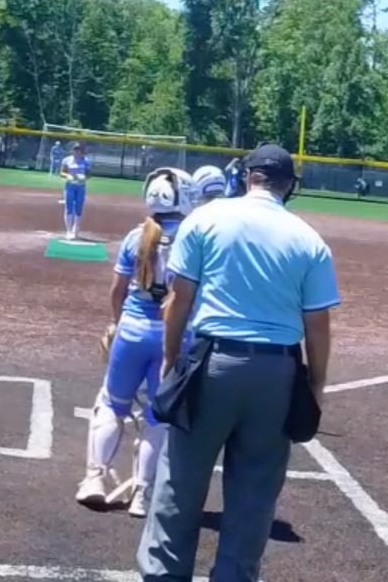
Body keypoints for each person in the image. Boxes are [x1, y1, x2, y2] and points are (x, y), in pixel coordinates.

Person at [138, 144, 339, 582]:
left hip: (210, 365)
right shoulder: (309, 240)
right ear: (289, 186)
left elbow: (178, 301)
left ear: (248, 177)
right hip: (277, 374)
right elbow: (318, 326)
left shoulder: (206, 219)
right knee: (254, 495)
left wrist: (171, 362)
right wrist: (316, 386)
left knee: (180, 483)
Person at [78, 166, 196, 517]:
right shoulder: (192, 239)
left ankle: (94, 478)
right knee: (157, 417)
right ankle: (142, 494)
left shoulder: (137, 236)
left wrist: (117, 324)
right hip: (173, 335)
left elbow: (117, 291)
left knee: (111, 405)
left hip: (132, 329)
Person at [60, 142, 92, 240]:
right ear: (72, 151)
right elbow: (62, 172)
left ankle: (75, 229)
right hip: (70, 186)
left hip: (81, 187)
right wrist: (68, 176)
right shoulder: (67, 160)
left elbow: (89, 174)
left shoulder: (86, 161)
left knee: (79, 208)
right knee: (69, 207)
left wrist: (83, 177)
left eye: (79, 150)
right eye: (75, 150)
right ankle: (68, 230)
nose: (77, 152)